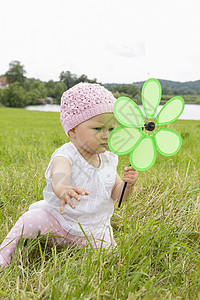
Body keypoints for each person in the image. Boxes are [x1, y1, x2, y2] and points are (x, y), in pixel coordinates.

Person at [0, 83, 138, 269]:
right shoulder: (65, 155)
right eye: (98, 129)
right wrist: (63, 188)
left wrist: (128, 185)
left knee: (111, 256)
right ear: (72, 130)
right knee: (29, 220)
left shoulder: (109, 159)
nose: (106, 135)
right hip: (59, 221)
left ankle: (87, 250)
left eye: (111, 129)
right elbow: (59, 175)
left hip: (93, 229)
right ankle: (4, 255)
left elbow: (118, 196)